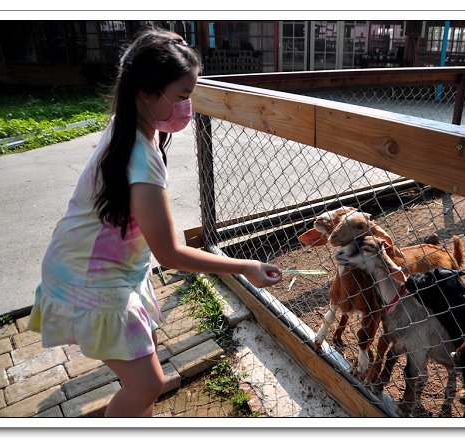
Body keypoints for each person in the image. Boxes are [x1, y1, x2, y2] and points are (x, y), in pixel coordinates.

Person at [27, 28, 283, 418]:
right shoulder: (140, 159)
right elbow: (170, 254)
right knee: (148, 383)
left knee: (144, 376)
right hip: (88, 279)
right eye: (182, 95)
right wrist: (246, 266)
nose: (188, 106)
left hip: (111, 269)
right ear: (146, 92)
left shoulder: (127, 125)